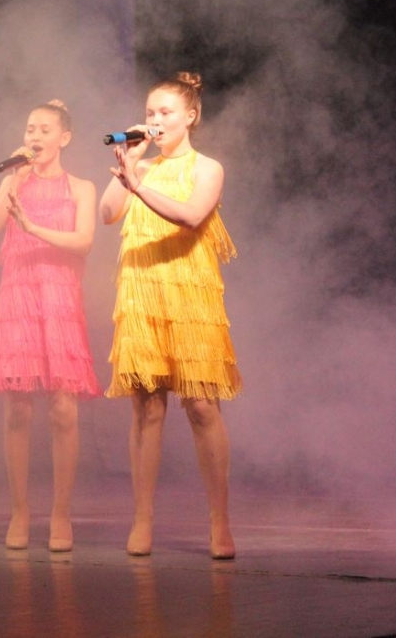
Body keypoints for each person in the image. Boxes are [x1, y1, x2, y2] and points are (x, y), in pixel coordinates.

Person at [99, 72, 241, 559]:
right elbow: (107, 213)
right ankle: (142, 519)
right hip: (142, 294)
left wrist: (138, 184)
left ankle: (219, 520)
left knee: (201, 405)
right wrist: (129, 168)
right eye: (150, 112)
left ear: (191, 117)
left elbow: (191, 215)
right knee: (147, 408)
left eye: (165, 112)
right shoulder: (139, 168)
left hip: (190, 298)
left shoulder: (208, 168)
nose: (155, 120)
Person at [0, 99, 100, 551]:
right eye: (30, 128)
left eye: (44, 130)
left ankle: (60, 514)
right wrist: (13, 184)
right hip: (18, 298)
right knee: (17, 407)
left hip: (60, 299)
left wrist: (32, 228)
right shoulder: (14, 179)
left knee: (63, 408)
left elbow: (84, 242)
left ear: (64, 138)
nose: (34, 137)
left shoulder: (82, 187)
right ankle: (19, 512)